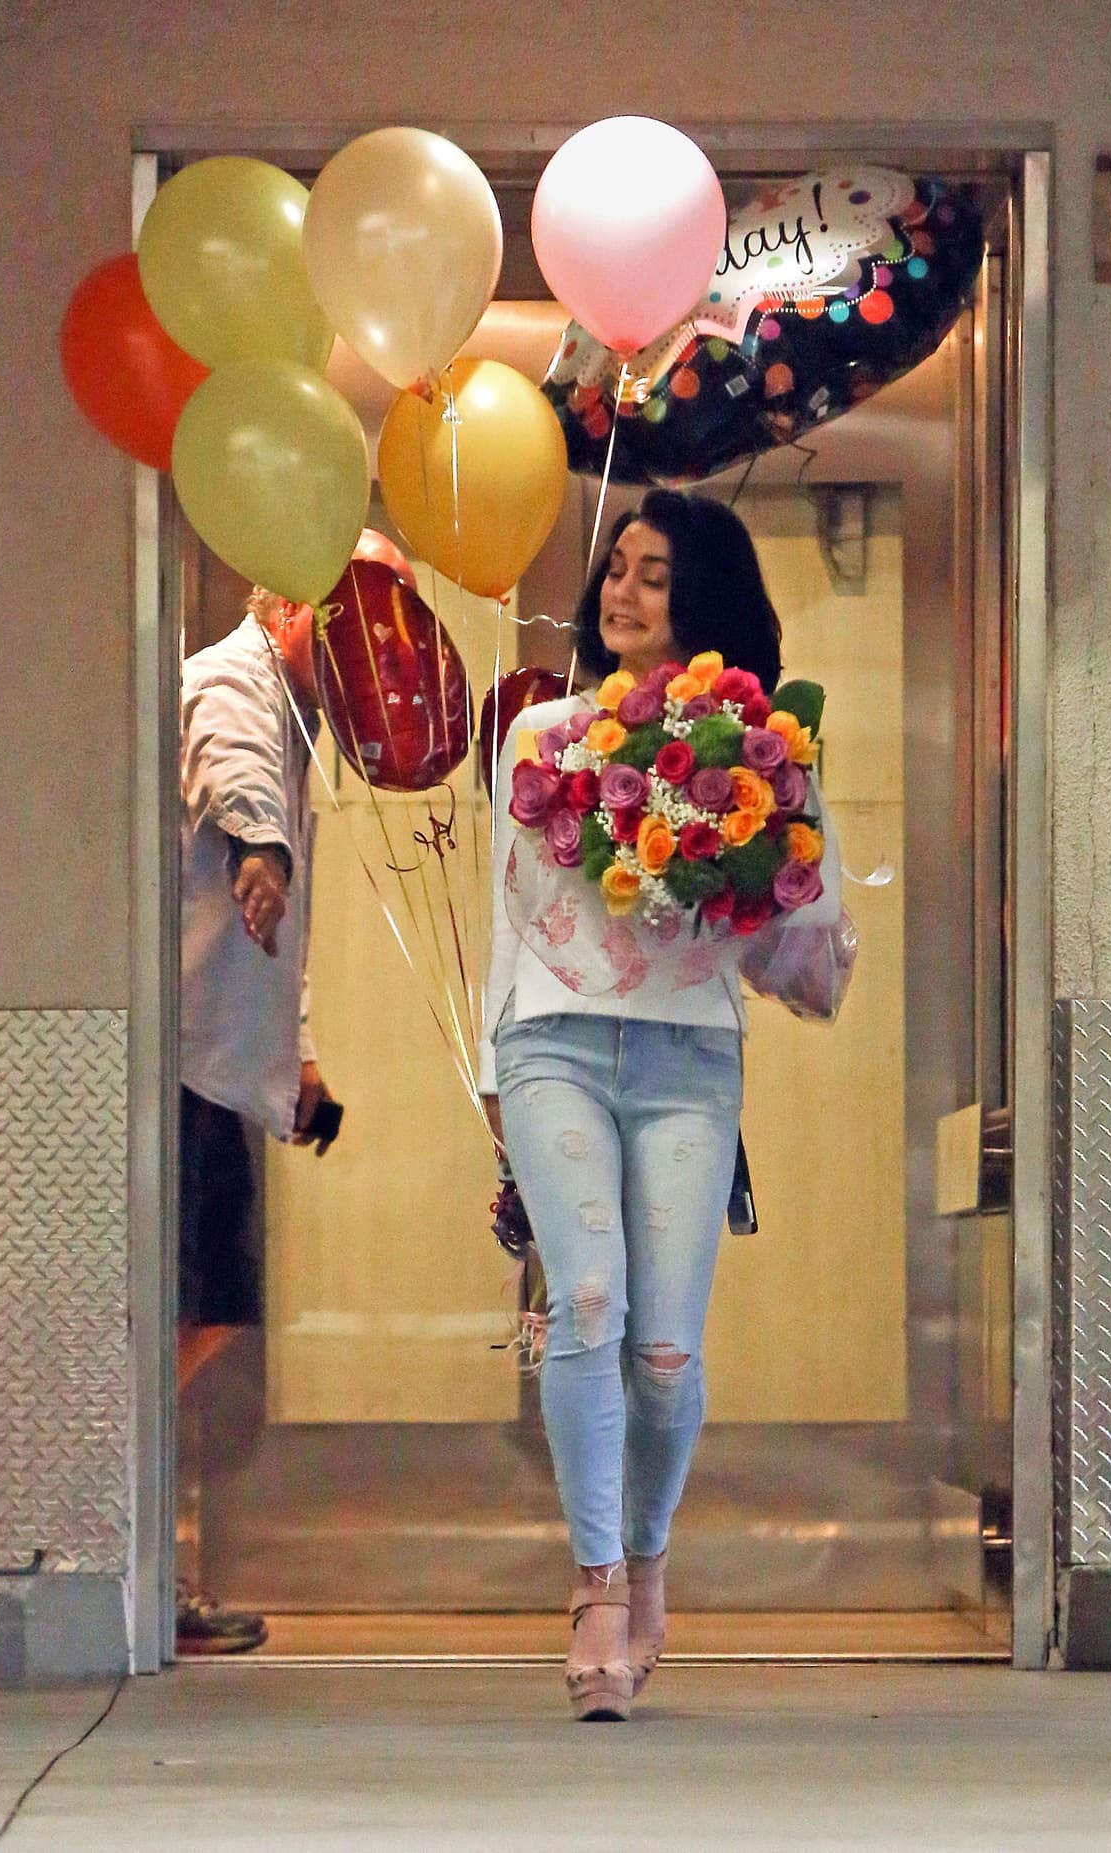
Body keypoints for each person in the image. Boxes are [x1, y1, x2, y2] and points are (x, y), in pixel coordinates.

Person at [479, 490, 785, 1720]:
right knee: (587, 1301)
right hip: (550, 1038)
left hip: (687, 1055)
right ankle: (596, 1583)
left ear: (698, 597)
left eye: (652, 575)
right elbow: (506, 917)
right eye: (615, 568)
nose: (622, 591)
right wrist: (494, 1080)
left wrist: (788, 888)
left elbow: (787, 922)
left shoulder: (750, 750)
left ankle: (648, 1551)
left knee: (663, 1352)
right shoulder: (541, 730)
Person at [177, 587, 339, 1654]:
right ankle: (135, 1540)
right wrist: (260, 851)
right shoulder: (233, 679)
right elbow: (229, 766)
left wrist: (301, 1050)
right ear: (284, 604)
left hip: (220, 1064)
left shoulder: (298, 719)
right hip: (186, 1062)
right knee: (189, 1308)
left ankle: (138, 1536)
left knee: (209, 1306)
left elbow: (281, 938)